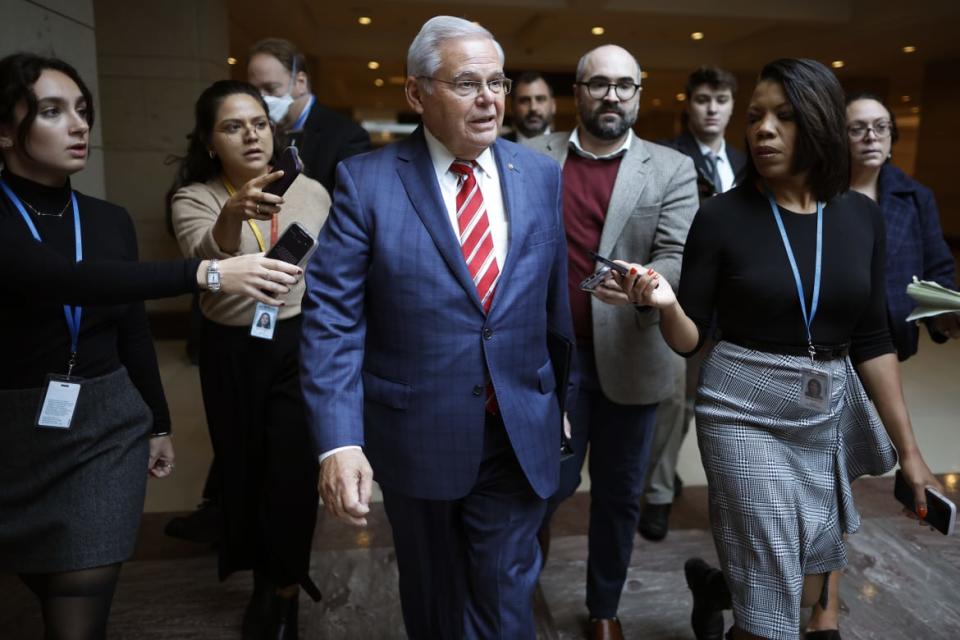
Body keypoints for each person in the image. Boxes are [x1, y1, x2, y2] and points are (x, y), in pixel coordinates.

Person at [618, 58, 943, 640]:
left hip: (824, 412)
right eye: (756, 117)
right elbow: (690, 340)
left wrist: (910, 451)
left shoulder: (861, 219)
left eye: (784, 117)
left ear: (817, 123)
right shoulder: (720, 217)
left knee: (808, 589)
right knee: (771, 604)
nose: (762, 129)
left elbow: (871, 339)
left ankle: (716, 587)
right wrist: (667, 305)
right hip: (741, 409)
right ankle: (744, 606)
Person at [0, 53, 300, 640]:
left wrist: (156, 421)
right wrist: (208, 274)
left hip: (104, 426)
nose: (80, 126)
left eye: (82, 111)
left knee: (83, 586)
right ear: (6, 131)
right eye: (53, 112)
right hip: (15, 423)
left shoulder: (107, 220)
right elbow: (64, 280)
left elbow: (129, 324)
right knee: (36, 575)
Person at [299, 16, 574, 640]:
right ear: (417, 93)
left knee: (506, 591)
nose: (490, 100)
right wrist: (339, 441)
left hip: (517, 428)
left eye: (497, 82)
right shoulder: (366, 182)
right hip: (415, 431)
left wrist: (559, 396)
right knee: (435, 596)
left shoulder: (538, 176)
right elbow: (334, 320)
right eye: (467, 83)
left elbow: (551, 307)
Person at [528, 44, 698, 639]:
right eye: (599, 84)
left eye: (624, 86)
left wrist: (647, 287)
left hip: (635, 356)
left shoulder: (671, 168)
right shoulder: (529, 158)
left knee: (621, 497)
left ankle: (603, 610)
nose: (611, 96)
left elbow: (677, 255)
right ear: (577, 92)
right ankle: (521, 595)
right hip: (554, 361)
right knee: (543, 489)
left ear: (639, 94)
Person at [169, 80, 330, 638]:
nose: (251, 134)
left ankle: (281, 586)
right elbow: (203, 259)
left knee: (291, 470)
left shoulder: (311, 192)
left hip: (296, 343)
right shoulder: (197, 197)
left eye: (258, 122)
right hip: (231, 349)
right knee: (243, 467)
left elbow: (330, 272)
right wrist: (234, 213)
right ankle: (260, 570)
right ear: (211, 142)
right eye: (233, 126)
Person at [640, 65, 749, 543]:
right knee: (676, 404)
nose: (711, 108)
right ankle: (658, 493)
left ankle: (686, 484)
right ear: (689, 103)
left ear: (731, 105)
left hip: (741, 304)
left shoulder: (747, 161)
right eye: (703, 99)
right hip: (686, 299)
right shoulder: (667, 157)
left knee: (726, 406)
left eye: (721, 100)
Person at [846, 93, 959, 358]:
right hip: (826, 336)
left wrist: (943, 313)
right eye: (857, 128)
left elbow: (936, 268)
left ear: (891, 135)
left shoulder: (916, 196)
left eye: (881, 126)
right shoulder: (818, 194)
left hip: (889, 337)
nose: (871, 136)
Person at [247, 37, 371, 194]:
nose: (261, 99)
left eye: (270, 88)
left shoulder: (347, 136)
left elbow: (353, 202)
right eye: (254, 91)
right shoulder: (254, 132)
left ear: (300, 82)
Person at [502, 71, 556, 144]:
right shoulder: (495, 147)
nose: (533, 108)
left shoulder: (568, 146)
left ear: (553, 105)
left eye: (540, 99)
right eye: (524, 101)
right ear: (512, 106)